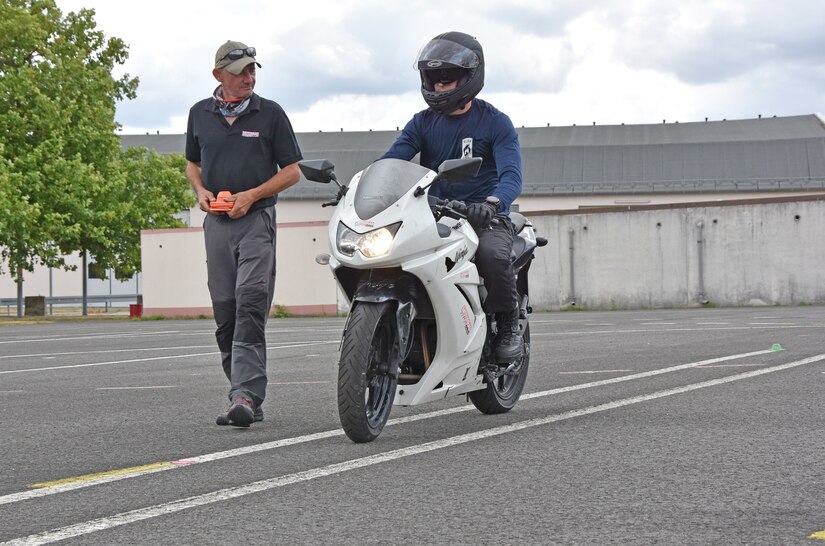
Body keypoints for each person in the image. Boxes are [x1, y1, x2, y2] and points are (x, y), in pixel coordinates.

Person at [381, 31, 524, 362]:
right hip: (434, 213)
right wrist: (365, 184)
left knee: (492, 255)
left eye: (448, 79)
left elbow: (511, 176)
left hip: (483, 217)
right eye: (434, 79)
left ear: (470, 78)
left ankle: (507, 323)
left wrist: (492, 204)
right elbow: (392, 161)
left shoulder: (496, 123)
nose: (440, 86)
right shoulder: (421, 123)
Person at [185, 41, 303, 427]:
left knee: (251, 300)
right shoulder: (199, 115)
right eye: (240, 72)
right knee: (226, 313)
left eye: (253, 71)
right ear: (219, 75)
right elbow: (192, 164)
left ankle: (245, 397)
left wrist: (252, 195)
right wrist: (200, 192)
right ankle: (242, 391)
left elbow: (292, 171)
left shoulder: (270, 114)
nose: (249, 78)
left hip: (256, 221)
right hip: (217, 223)